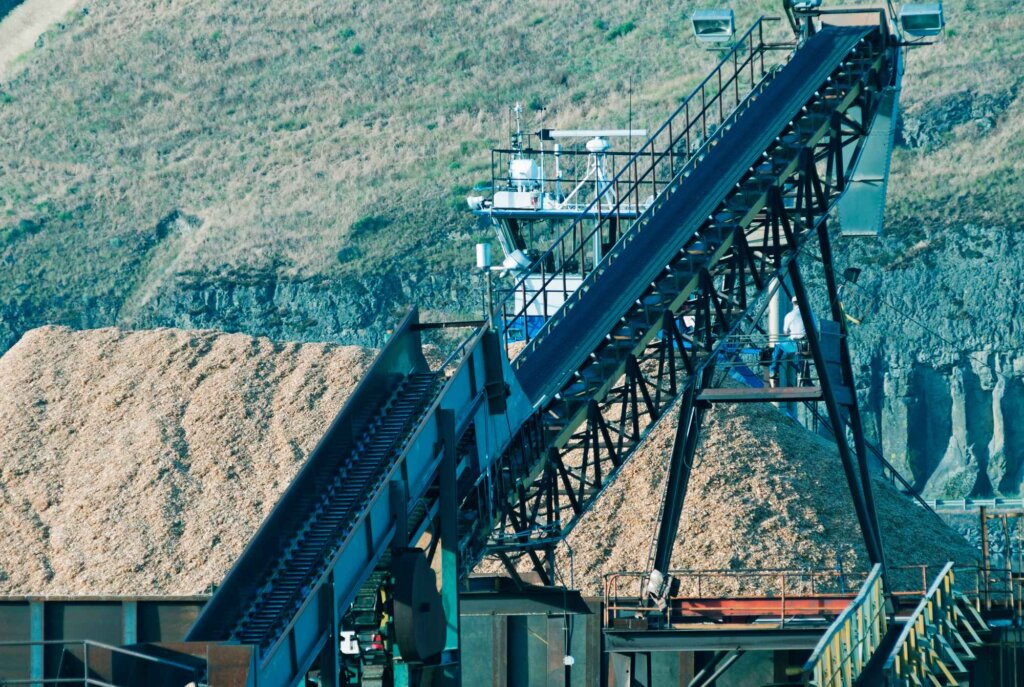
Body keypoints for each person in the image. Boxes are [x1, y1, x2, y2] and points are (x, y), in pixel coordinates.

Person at [768, 297, 810, 386]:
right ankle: (806, 378)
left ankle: (773, 370)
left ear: (793, 304)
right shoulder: (811, 313)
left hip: (797, 344)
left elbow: (785, 332)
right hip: (810, 345)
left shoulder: (790, 315)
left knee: (778, 344)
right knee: (802, 355)